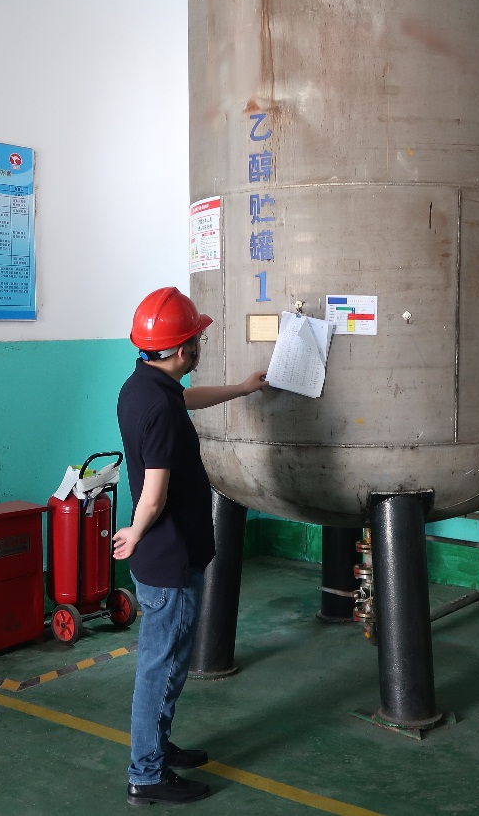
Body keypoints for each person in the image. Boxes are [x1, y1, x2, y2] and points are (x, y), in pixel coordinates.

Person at [111, 286, 268, 806]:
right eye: (197, 339)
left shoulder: (141, 386)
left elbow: (187, 400)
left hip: (164, 556)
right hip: (169, 558)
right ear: (184, 350)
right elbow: (154, 495)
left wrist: (242, 388)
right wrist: (136, 531)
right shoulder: (159, 406)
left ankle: (157, 749)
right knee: (162, 667)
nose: (200, 345)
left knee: (168, 663)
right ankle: (146, 774)